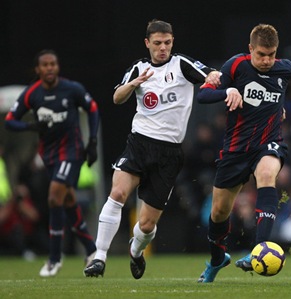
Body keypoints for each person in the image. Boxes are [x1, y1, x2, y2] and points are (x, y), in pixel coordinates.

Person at [83, 19, 221, 279]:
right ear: (147, 43)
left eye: (167, 43)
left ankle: (136, 250)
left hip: (169, 153)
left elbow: (209, 74)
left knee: (146, 226)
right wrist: (135, 84)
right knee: (117, 193)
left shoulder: (181, 64)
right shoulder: (139, 68)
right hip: (139, 143)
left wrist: (214, 75)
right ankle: (99, 257)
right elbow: (116, 97)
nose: (162, 48)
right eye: (157, 43)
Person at [195, 23, 291, 282]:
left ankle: (258, 250)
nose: (267, 60)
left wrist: (279, 109)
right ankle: (218, 259)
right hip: (236, 149)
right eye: (261, 54)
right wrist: (226, 90)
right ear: (250, 49)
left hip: (269, 143)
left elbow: (276, 94)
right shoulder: (236, 66)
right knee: (218, 213)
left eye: (271, 54)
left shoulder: (286, 69)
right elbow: (202, 97)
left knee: (267, 174)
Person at [4, 49, 99, 277]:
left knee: (54, 196)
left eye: (53, 64)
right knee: (67, 201)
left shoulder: (72, 89)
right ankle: (91, 250)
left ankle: (54, 258)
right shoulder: (31, 94)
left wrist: (92, 141)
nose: (49, 68)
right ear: (38, 69)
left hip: (72, 151)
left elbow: (92, 109)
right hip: (49, 155)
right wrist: (29, 126)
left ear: (58, 67)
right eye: (45, 65)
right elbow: (10, 121)